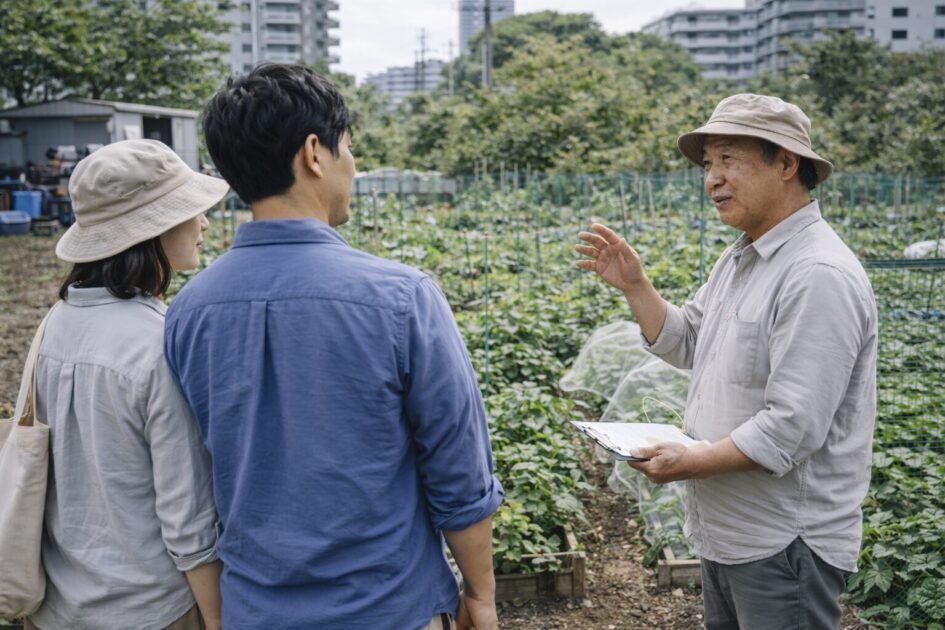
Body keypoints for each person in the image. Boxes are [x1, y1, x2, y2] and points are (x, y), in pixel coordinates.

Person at [163, 64, 503, 630]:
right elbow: (459, 477)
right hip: (389, 609)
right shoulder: (402, 297)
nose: (354, 166)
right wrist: (482, 597)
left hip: (255, 610)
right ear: (314, 153)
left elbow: (193, 480)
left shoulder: (188, 312)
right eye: (349, 147)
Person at [576, 93, 877, 630]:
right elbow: (690, 339)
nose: (711, 178)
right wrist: (636, 286)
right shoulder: (742, 256)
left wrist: (687, 462)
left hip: (785, 541)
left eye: (728, 159)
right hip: (731, 531)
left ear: (786, 163)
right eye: (708, 163)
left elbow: (792, 427)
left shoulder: (816, 274)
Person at [23, 139, 229, 630]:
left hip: (58, 608)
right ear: (152, 227)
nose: (203, 223)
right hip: (148, 610)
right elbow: (189, 519)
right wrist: (219, 620)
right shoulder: (159, 341)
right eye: (190, 210)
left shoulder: (57, 321)